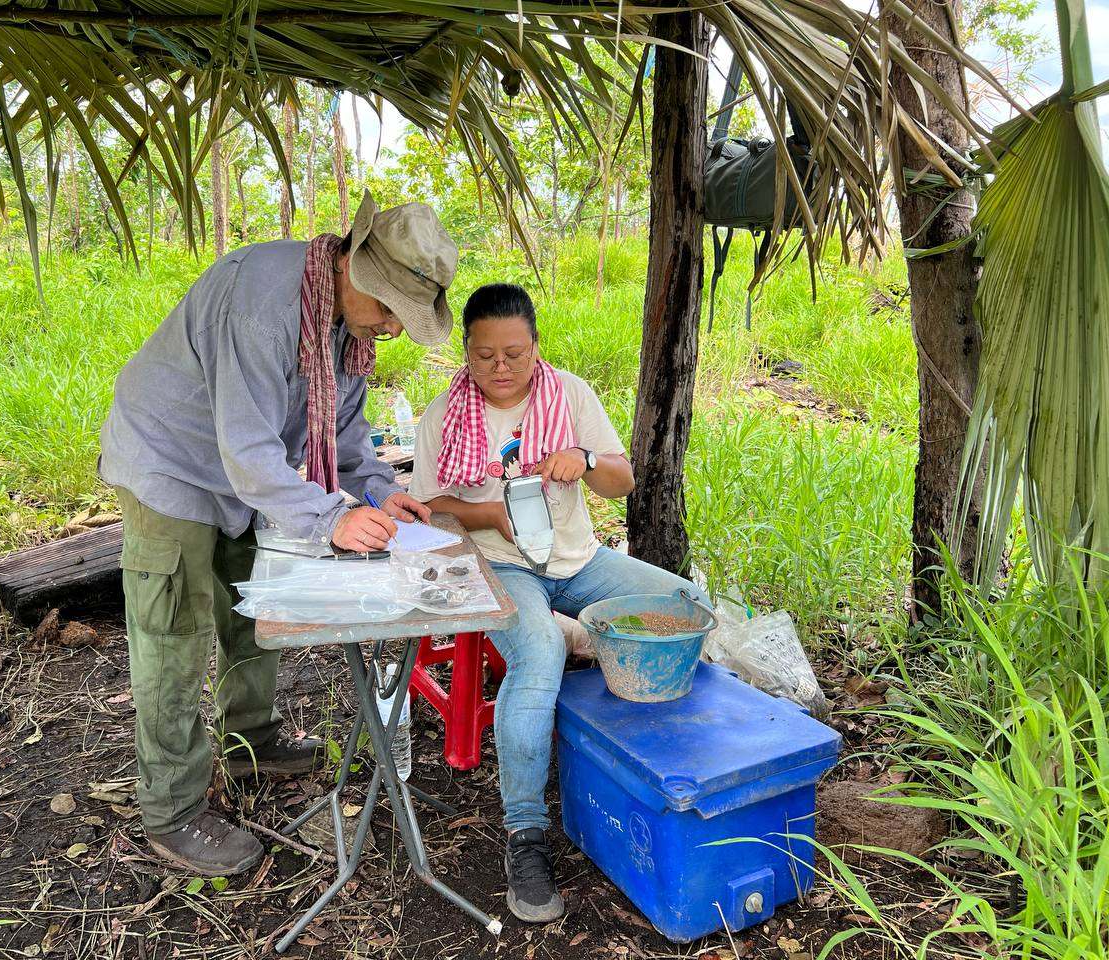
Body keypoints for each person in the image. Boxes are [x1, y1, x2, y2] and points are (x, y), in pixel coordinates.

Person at [99, 190, 456, 876]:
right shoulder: (262, 303)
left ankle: (251, 742)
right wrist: (331, 517)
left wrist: (381, 489)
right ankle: (171, 813)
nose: (392, 329)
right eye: (388, 310)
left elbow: (343, 432)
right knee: (173, 634)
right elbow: (251, 452)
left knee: (250, 604)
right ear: (355, 269)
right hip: (172, 458)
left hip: (242, 470)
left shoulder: (344, 324)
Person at [407, 283, 708, 924]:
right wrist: (488, 512)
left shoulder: (568, 394)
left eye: (514, 353)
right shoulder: (444, 415)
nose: (500, 368)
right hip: (503, 568)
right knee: (539, 653)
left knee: (685, 603)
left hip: (577, 560)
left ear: (536, 346)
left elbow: (622, 480)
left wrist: (585, 456)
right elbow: (429, 508)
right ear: (466, 351)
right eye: (484, 355)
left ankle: (658, 763)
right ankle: (526, 834)